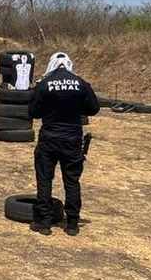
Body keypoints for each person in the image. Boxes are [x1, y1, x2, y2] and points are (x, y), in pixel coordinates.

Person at [27, 52, 100, 236]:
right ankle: (73, 224)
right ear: (69, 64)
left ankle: (44, 223)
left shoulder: (44, 84)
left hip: (49, 140)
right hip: (72, 140)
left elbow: (33, 111)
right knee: (72, 182)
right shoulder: (81, 84)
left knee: (44, 180)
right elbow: (94, 108)